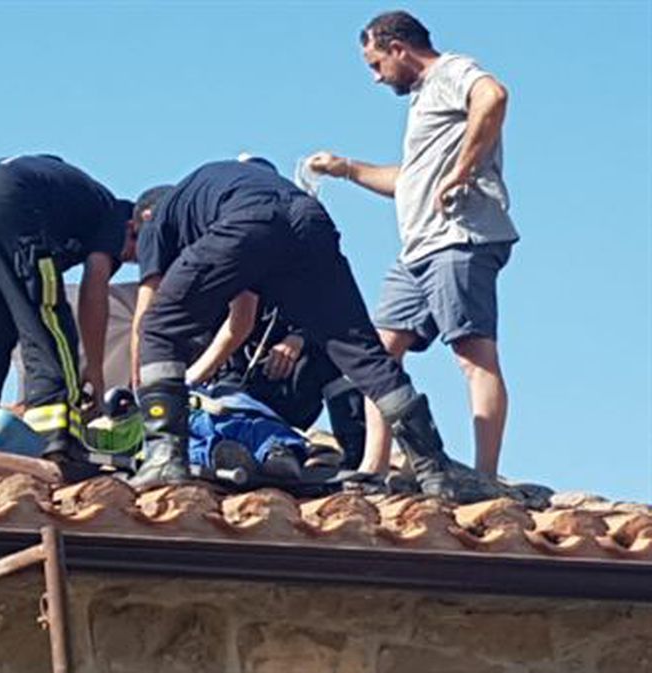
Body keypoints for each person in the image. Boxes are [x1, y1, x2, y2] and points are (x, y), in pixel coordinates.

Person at [128, 158, 467, 501]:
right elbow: (241, 322)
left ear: (143, 218)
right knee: (362, 353)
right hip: (310, 217)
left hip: (249, 222)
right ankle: (434, 469)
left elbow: (147, 317)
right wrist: (191, 379)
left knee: (159, 328)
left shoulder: (156, 219)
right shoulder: (222, 198)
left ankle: (164, 457)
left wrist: (142, 386)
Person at [307, 11, 518, 480]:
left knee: (472, 355)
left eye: (375, 63)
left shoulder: (450, 73)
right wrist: (345, 167)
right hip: (419, 247)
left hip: (457, 240)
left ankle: (486, 477)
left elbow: (493, 95)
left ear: (398, 48)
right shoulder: (425, 101)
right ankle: (373, 464)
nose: (375, 77)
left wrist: (462, 171)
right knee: (378, 355)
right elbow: (410, 180)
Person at [0, 154, 137, 472]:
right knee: (47, 323)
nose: (126, 259)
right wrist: (94, 370)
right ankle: (55, 438)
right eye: (135, 253)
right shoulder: (112, 212)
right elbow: (93, 290)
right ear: (135, 225)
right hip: (7, 205)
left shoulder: (69, 198)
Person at [192, 297, 367, 471]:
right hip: (229, 398)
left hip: (284, 396)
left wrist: (300, 336)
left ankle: (292, 450)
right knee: (193, 417)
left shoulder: (306, 282)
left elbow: (338, 321)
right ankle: (211, 455)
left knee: (339, 357)